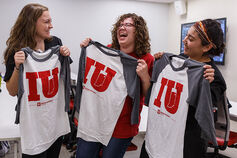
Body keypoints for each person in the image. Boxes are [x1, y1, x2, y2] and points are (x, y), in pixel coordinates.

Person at [140, 19, 226, 158]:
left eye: (191, 39)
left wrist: (205, 85)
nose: (184, 40)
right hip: (159, 135)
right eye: (186, 35)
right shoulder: (177, 60)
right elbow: (153, 98)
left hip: (184, 145)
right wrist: (160, 63)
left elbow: (205, 116)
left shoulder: (213, 78)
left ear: (206, 47)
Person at [76, 13, 154, 158]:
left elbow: (148, 96)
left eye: (128, 25)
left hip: (123, 124)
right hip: (98, 119)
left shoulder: (146, 59)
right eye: (120, 25)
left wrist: (144, 76)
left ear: (138, 31)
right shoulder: (108, 51)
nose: (122, 27)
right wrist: (89, 49)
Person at [3, 3, 71, 158]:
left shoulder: (55, 43)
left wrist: (64, 56)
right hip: (33, 125)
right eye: (46, 22)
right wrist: (17, 67)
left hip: (54, 120)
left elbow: (64, 80)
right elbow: (12, 91)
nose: (51, 26)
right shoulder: (16, 49)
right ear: (32, 23)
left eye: (50, 21)